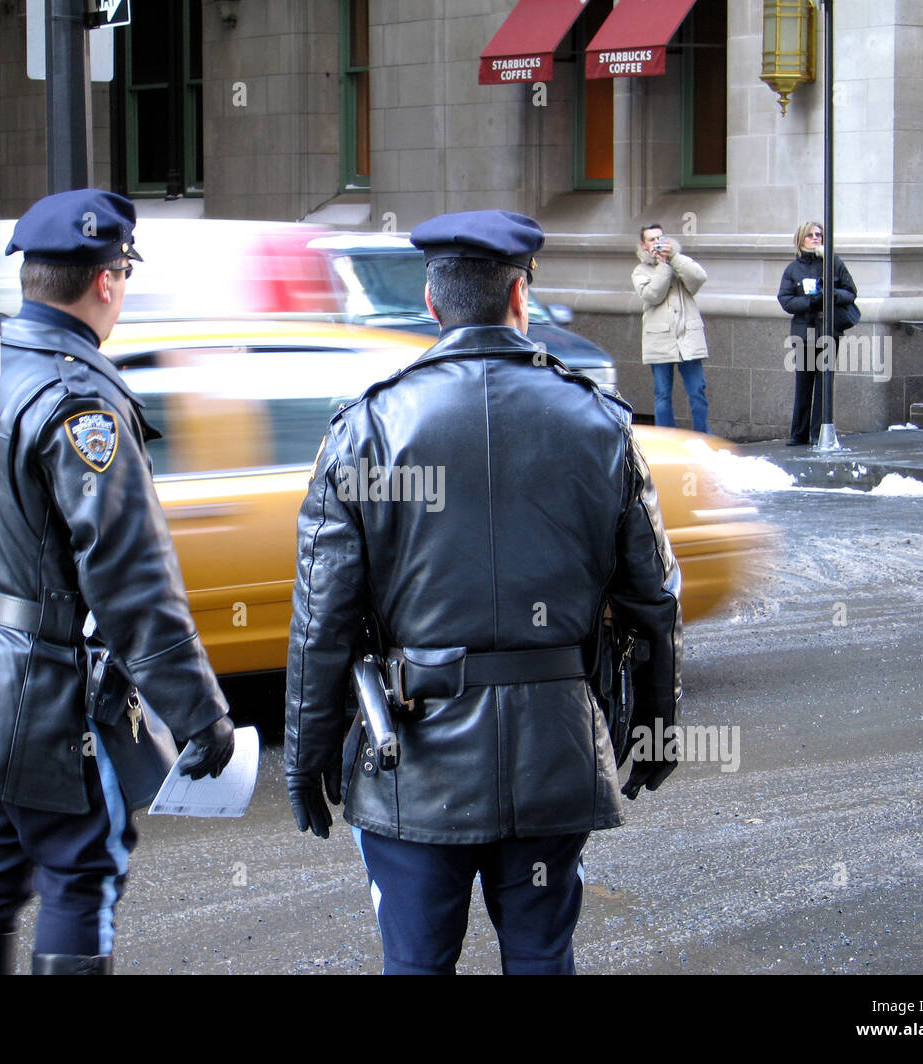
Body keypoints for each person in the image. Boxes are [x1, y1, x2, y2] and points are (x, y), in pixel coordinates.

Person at [284, 209, 683, 975]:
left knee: (420, 964)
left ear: (432, 304)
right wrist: (658, 720)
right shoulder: (601, 424)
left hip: (416, 757)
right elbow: (652, 598)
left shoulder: (367, 428)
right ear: (520, 297)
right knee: (540, 954)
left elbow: (321, 619)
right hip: (553, 749)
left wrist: (305, 760)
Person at [0, 188, 235, 975]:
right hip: (49, 697)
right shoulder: (82, 404)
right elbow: (133, 582)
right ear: (107, 280)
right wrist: (198, 712)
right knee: (81, 872)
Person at [777, 221, 858, 446]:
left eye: (819, 235)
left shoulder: (833, 262)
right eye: (810, 235)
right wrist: (810, 302)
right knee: (803, 384)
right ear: (801, 240)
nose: (815, 238)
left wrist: (831, 295)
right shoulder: (793, 270)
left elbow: (851, 292)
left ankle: (819, 433)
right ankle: (799, 433)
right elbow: (786, 299)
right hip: (804, 332)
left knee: (824, 384)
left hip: (828, 330)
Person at [632, 223, 709, 433]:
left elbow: (699, 278)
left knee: (697, 390)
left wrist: (674, 258)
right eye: (652, 239)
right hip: (660, 340)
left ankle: (702, 435)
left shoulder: (679, 261)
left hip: (687, 337)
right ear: (644, 245)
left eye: (660, 238)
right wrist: (664, 266)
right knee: (663, 394)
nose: (657, 243)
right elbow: (652, 295)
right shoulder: (640, 271)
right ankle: (667, 438)